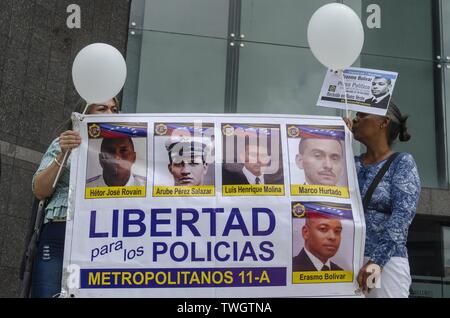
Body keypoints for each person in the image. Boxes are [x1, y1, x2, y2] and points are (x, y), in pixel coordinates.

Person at [30, 98, 120, 298]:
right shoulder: (64, 142)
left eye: (114, 109)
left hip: (101, 238)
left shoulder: (122, 150)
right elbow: (40, 190)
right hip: (60, 234)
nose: (110, 113)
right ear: (86, 112)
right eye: (102, 108)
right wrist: (63, 154)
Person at [344, 101, 421, 298]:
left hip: (383, 264)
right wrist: (338, 139)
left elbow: (402, 217)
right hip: (347, 261)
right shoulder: (351, 164)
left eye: (362, 115)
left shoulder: (402, 163)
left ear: (383, 122)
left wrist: (376, 262)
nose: (355, 119)